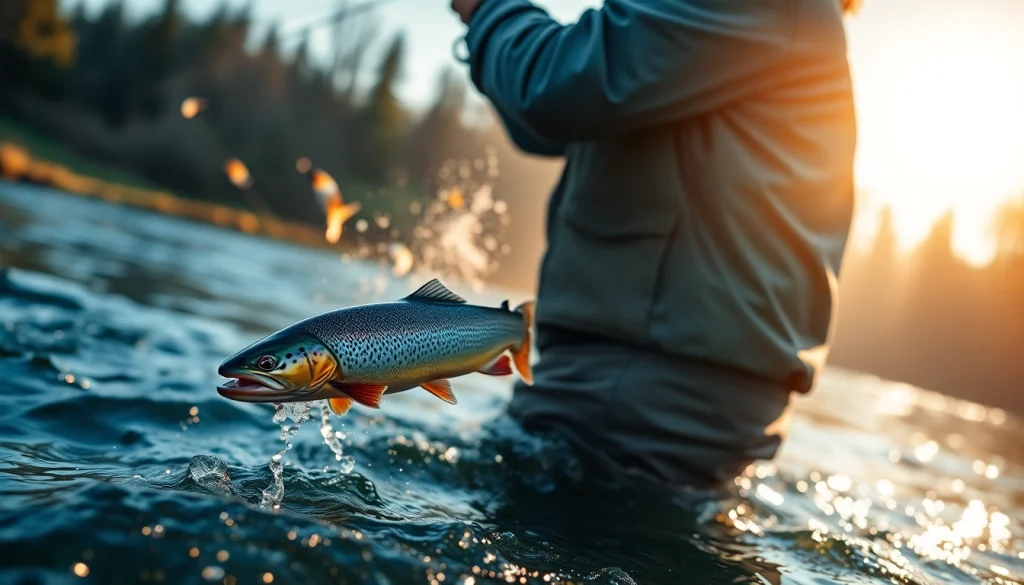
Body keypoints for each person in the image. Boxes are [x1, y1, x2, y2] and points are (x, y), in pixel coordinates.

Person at [450, 0, 859, 488]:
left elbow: (556, 87)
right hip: (652, 390)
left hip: (638, 393)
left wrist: (488, 9)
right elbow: (551, 114)